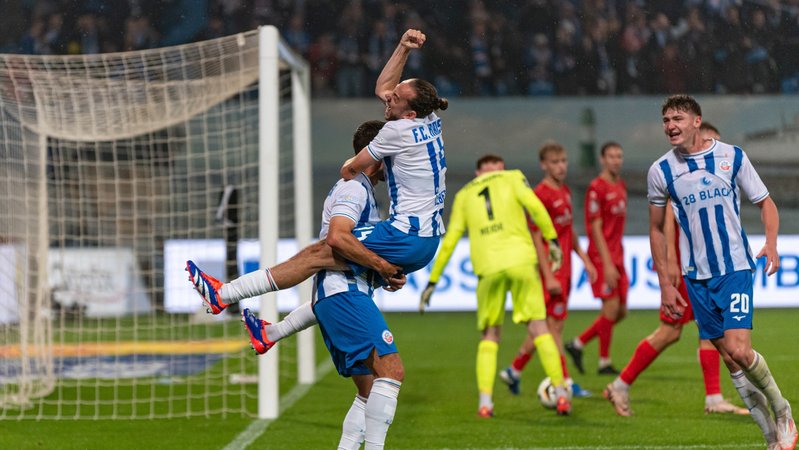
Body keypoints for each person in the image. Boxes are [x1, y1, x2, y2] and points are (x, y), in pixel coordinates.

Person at [186, 28, 447, 316]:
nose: (388, 98)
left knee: (321, 252)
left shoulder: (395, 131)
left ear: (409, 114)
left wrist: (382, 265)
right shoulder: (429, 117)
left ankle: (224, 294)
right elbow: (384, 88)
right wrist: (403, 47)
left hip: (404, 234)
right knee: (340, 268)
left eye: (395, 99)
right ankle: (271, 330)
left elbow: (349, 169)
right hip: (427, 239)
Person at [243, 120, 406, 450]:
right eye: (390, 155)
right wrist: (381, 265)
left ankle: (269, 333)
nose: (395, 164)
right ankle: (233, 301)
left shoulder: (361, 189)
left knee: (369, 387)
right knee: (391, 370)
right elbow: (338, 239)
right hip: (342, 291)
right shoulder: (354, 189)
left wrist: (380, 272)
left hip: (340, 292)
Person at [645, 94, 796, 449]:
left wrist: (771, 243)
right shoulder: (660, 171)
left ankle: (782, 409)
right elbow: (655, 228)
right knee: (729, 359)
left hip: (734, 267)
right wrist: (667, 284)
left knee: (740, 350)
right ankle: (771, 437)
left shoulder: (732, 157)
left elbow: (766, 202)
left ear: (697, 121)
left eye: (678, 118)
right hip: (695, 275)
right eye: (666, 120)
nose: (670, 126)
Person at [603, 122, 748, 416]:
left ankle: (713, 398)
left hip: (709, 266)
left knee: (709, 332)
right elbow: (666, 219)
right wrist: (670, 265)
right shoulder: (680, 174)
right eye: (711, 142)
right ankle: (620, 384)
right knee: (670, 332)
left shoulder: (715, 170)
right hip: (688, 267)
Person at [419, 154, 570, 417]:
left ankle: (485, 403)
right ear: (500, 168)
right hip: (522, 261)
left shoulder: (465, 194)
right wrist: (552, 240)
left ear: (479, 173)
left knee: (490, 336)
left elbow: (451, 238)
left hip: (488, 268)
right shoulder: (512, 177)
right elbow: (535, 206)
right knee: (539, 327)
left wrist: (433, 280)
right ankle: (561, 394)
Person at [497, 141, 597, 398]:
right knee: (553, 328)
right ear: (544, 165)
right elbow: (536, 236)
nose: (561, 166)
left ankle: (514, 370)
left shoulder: (564, 191)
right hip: (550, 272)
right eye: (555, 162)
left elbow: (568, 230)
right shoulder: (540, 194)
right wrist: (549, 274)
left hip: (566, 269)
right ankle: (564, 380)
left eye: (563, 161)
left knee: (550, 326)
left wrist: (584, 259)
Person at [565, 142, 628, 375]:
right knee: (610, 309)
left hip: (618, 254)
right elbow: (596, 227)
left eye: (619, 156)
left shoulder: (620, 185)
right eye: (611, 156)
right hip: (603, 257)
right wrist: (607, 263)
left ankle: (578, 343)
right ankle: (604, 362)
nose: (616, 160)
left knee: (621, 312)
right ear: (602, 159)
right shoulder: (596, 188)